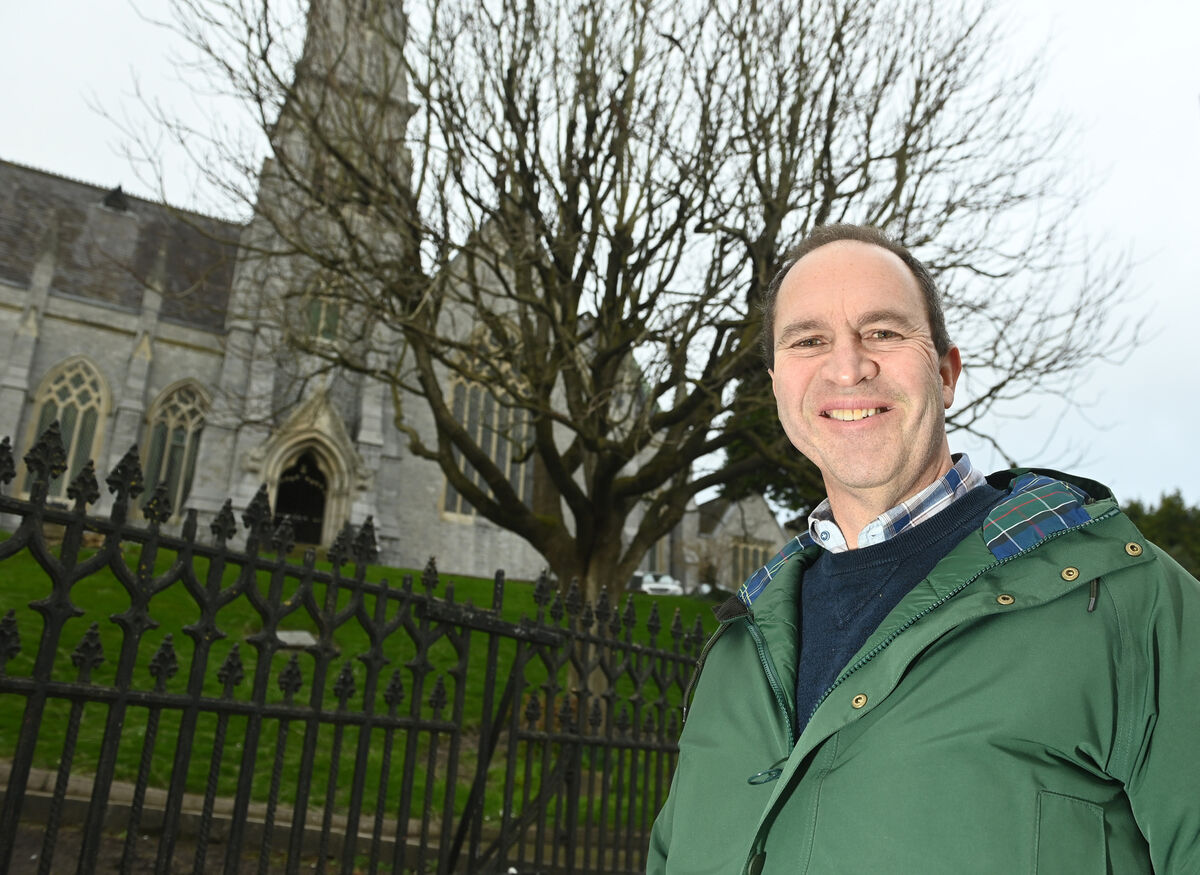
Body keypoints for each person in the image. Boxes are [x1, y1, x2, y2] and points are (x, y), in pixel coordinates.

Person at [646, 224, 1200, 874]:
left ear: (945, 371)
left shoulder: (1126, 602)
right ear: (776, 387)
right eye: (809, 340)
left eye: (882, 331)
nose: (848, 366)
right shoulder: (736, 657)